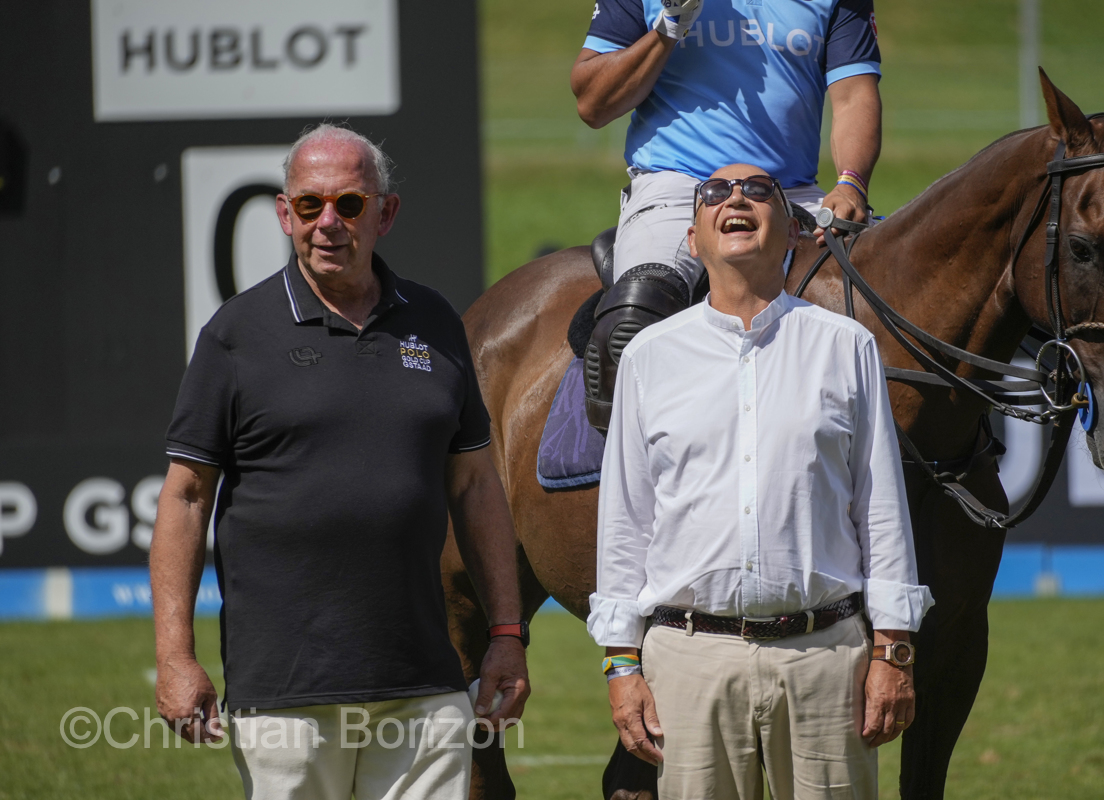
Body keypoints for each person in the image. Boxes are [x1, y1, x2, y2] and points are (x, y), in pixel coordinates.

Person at [150, 123, 530, 800]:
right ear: (283, 213)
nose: (328, 223)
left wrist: (505, 632)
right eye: (309, 205)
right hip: (287, 690)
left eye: (349, 205)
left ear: (385, 213)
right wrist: (174, 657)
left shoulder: (435, 322)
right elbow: (184, 497)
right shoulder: (235, 335)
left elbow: (475, 485)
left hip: (424, 681)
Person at [588, 163, 933, 799]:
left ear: (793, 230)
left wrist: (893, 651)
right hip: (688, 662)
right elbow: (624, 526)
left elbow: (881, 508)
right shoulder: (647, 358)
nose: (736, 199)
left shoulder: (847, 346)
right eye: (715, 193)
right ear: (691, 238)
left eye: (757, 190)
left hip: (826, 661)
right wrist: (619, 661)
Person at [572, 0, 884, 430]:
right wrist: (668, 27)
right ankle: (615, 477)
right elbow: (592, 102)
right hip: (678, 184)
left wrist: (851, 182)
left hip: (789, 190)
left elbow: (853, 97)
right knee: (634, 314)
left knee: (884, 294)